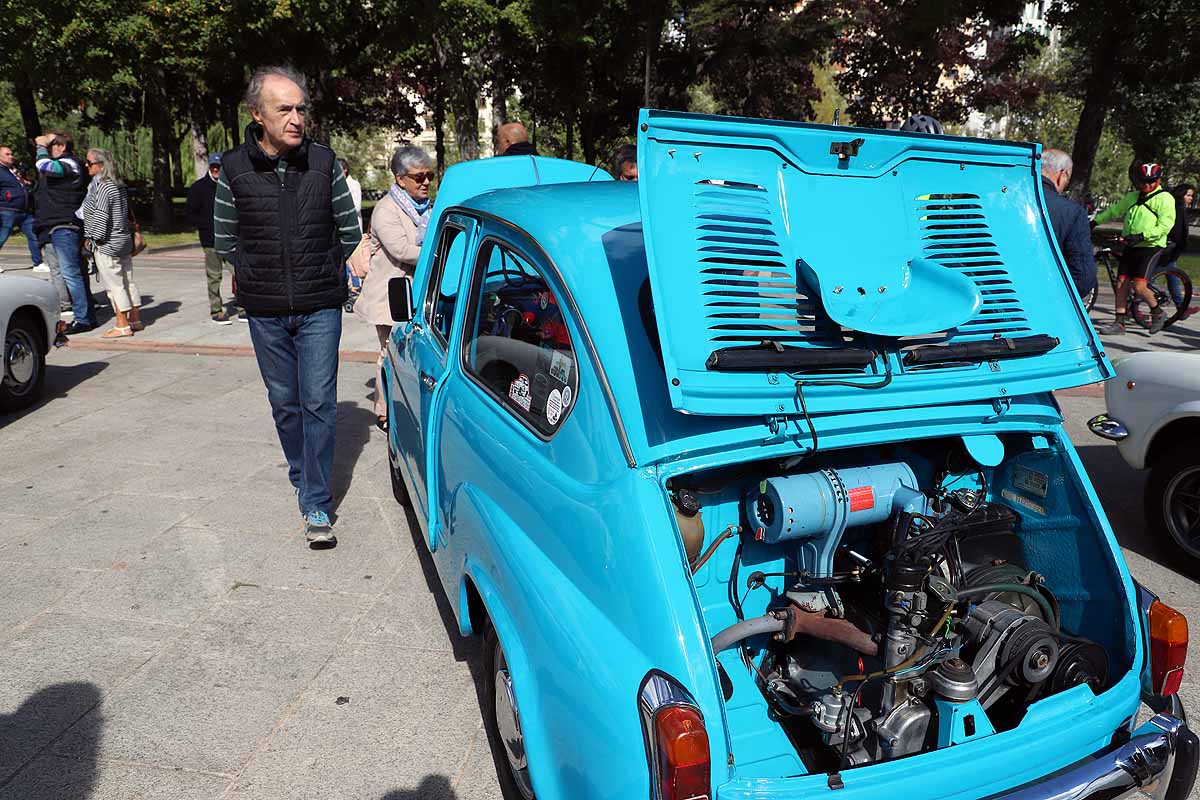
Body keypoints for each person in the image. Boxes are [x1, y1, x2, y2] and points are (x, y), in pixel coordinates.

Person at [213, 65, 362, 547]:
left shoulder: (323, 163)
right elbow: (223, 239)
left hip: (320, 303)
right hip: (265, 308)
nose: (297, 118)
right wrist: (259, 275)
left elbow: (350, 232)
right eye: (285, 109)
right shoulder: (233, 168)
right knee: (285, 403)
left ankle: (316, 502)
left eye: (301, 109)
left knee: (318, 400)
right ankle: (302, 470)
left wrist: (335, 273)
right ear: (257, 114)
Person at [355, 146, 435, 432]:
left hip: (415, 295)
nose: (425, 182)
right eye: (418, 177)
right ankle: (383, 411)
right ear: (400, 179)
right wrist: (439, 249)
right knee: (388, 353)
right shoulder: (386, 209)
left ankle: (405, 406)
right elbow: (401, 249)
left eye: (429, 175)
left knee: (410, 354)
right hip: (389, 298)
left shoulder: (426, 209)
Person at [1093, 162, 1176, 335]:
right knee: (1122, 282)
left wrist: (1143, 235)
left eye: (1151, 181)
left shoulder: (1165, 198)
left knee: (1139, 286)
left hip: (1150, 246)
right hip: (1131, 245)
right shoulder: (1132, 197)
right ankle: (1119, 323)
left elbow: (1165, 225)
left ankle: (1158, 312)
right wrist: (1094, 222)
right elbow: (1114, 211)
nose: (1146, 185)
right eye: (1143, 181)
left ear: (1159, 180)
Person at [33, 132, 96, 334]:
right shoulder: (65, 166)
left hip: (65, 225)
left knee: (72, 273)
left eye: (50, 144)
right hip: (53, 225)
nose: (47, 147)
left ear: (61, 146)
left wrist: (40, 148)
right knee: (67, 272)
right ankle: (87, 315)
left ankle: (83, 319)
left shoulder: (70, 164)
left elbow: (44, 166)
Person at [80, 148, 142, 338]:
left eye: (89, 163)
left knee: (114, 284)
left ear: (100, 165)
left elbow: (101, 215)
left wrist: (91, 239)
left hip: (108, 242)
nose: (86, 165)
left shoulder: (103, 186)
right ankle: (135, 319)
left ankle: (122, 324)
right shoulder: (118, 184)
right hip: (123, 239)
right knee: (127, 280)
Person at [186, 153, 242, 324]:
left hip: (231, 239)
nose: (216, 170)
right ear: (210, 167)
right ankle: (216, 310)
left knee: (239, 273)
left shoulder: (231, 185)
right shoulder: (198, 188)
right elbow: (190, 215)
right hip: (210, 241)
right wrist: (209, 225)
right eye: (213, 167)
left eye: (219, 167)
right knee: (214, 276)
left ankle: (244, 307)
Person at [1039, 149, 1096, 299]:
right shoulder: (1072, 213)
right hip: (1043, 302)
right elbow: (1083, 277)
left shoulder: (998, 200)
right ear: (1062, 175)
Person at [0, 145, 43, 272]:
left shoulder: (12, 171)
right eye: (7, 154)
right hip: (7, 209)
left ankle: (38, 263)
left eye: (11, 154)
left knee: (33, 235)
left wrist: (26, 183)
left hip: (24, 210)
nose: (11, 156)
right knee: (2, 236)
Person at [1155, 183, 1194, 318]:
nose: (1190, 199)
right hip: (1169, 249)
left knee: (1172, 276)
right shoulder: (1178, 208)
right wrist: (1181, 244)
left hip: (1169, 249)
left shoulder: (1177, 207)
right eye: (1188, 195)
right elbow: (1177, 231)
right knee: (1154, 276)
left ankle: (1181, 307)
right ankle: (1137, 303)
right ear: (1180, 195)